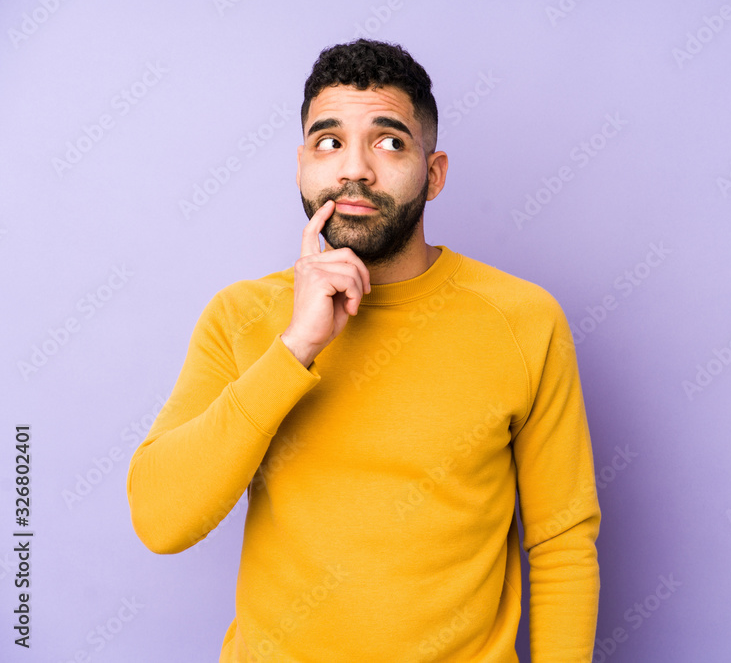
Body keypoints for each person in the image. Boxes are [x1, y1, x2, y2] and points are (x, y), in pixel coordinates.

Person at [126, 38, 601, 662]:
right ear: (301, 166)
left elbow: (563, 541)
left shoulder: (523, 319)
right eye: (329, 142)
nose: (355, 169)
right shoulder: (240, 317)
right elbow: (161, 521)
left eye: (389, 141)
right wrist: (295, 349)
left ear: (433, 175)